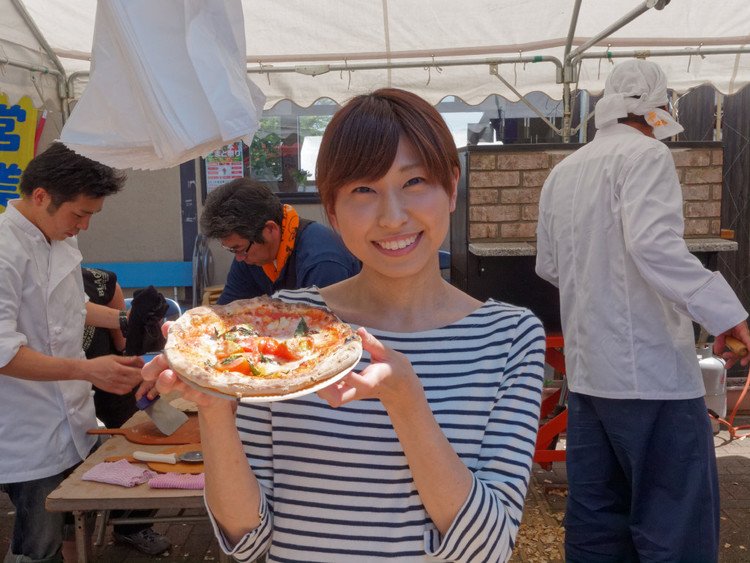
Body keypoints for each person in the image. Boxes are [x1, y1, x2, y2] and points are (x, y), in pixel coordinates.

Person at [142, 88, 546, 562]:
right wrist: (214, 410)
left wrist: (407, 402)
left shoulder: (510, 338)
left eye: (414, 181)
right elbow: (247, 542)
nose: (393, 217)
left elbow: (487, 550)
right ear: (332, 211)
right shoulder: (282, 329)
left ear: (452, 187)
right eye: (363, 190)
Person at [535, 59, 750, 563]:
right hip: (650, 377)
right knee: (672, 522)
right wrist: (727, 314)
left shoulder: (562, 173)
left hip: (589, 377)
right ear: (659, 110)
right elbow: (654, 246)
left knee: (596, 518)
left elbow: (550, 266)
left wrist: (601, 289)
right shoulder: (647, 157)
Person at [0, 142, 144, 562]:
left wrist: (126, 321)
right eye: (79, 214)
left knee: (67, 525)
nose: (83, 226)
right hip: (24, 427)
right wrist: (87, 371)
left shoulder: (59, 240)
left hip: (72, 416)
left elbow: (71, 309)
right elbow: (3, 353)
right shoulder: (5, 253)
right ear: (41, 195)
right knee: (36, 543)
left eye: (90, 216)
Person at [81, 267, 172, 556]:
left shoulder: (102, 282)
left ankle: (132, 524)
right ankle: (100, 522)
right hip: (65, 387)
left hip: (111, 382)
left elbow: (126, 346)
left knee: (155, 437)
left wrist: (135, 373)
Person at [200, 178, 360, 304]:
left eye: (239, 249)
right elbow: (227, 311)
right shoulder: (249, 254)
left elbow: (322, 332)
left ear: (270, 229)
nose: (239, 258)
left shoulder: (322, 261)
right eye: (232, 251)